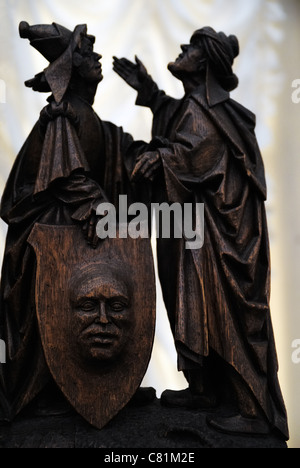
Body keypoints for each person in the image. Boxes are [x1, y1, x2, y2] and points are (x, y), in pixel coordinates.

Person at [113, 27, 289, 439]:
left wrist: (159, 158)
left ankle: (251, 408)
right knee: (192, 305)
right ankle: (205, 388)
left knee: (227, 313)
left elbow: (195, 155)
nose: (182, 50)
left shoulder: (207, 111)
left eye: (191, 46)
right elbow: (186, 136)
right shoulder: (198, 106)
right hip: (196, 232)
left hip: (223, 238)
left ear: (206, 61)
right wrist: (153, 95)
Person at [0, 22, 141, 421]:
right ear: (73, 66)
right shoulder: (62, 114)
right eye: (88, 53)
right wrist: (99, 205)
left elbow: (112, 154)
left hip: (68, 230)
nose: (97, 58)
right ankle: (43, 394)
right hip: (46, 234)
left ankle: (88, 387)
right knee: (50, 314)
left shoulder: (87, 116)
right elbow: (68, 176)